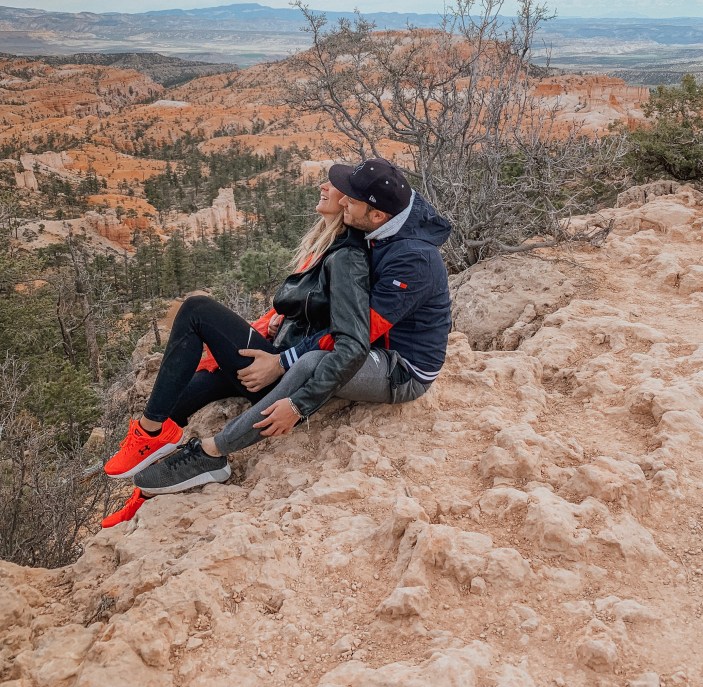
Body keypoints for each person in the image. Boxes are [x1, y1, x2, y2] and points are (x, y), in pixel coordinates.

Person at [108, 158, 452, 502]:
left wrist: (293, 390)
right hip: (352, 342)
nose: (342, 199)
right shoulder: (385, 218)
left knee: (312, 363)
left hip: (400, 367)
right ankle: (151, 439)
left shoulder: (412, 259)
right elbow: (342, 317)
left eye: (350, 198)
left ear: (376, 216)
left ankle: (212, 453)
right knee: (218, 367)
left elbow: (358, 335)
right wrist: (277, 322)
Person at [101, 177, 370, 525]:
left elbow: (343, 331)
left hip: (285, 375)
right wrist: (277, 320)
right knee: (181, 399)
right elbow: (315, 307)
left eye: (333, 185)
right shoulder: (326, 243)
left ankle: (149, 432)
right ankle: (145, 490)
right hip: (275, 355)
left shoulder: (347, 256)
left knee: (197, 309)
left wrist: (280, 360)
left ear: (349, 200)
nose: (322, 185)